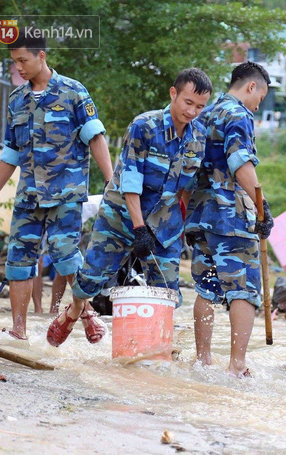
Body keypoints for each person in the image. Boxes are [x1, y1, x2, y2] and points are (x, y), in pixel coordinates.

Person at [46, 68, 212, 347]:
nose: (193, 111)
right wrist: (138, 229)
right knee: (89, 280)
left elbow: (188, 188)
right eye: (188, 102)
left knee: (167, 291)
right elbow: (131, 182)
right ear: (173, 93)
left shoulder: (198, 137)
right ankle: (76, 310)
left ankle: (158, 349)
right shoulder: (144, 126)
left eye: (200, 106)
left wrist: (185, 225)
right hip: (121, 217)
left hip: (164, 225)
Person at [0, 31, 113, 340]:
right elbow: (11, 152)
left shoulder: (73, 92)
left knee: (66, 255)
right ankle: (19, 330)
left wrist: (110, 181)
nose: (18, 67)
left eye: (23, 60)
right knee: (18, 261)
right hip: (28, 196)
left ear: (41, 56)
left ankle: (85, 311)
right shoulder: (16, 99)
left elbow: (96, 137)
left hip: (66, 193)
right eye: (14, 62)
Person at [186, 62, 274, 377]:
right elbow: (240, 163)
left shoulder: (204, 114)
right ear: (251, 87)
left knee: (206, 287)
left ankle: (202, 359)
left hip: (200, 215)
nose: (257, 104)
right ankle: (236, 365)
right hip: (231, 215)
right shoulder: (238, 115)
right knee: (245, 287)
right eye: (260, 97)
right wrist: (262, 206)